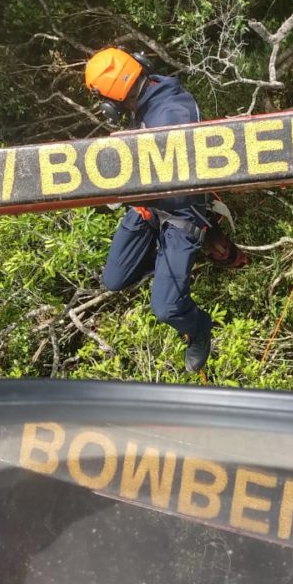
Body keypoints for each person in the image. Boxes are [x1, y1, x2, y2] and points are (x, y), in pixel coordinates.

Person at [84, 47, 214, 373]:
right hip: (149, 208)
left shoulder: (170, 112)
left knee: (167, 308)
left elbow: (175, 164)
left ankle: (199, 328)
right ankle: (162, 268)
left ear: (112, 101)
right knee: (114, 280)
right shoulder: (147, 102)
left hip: (181, 215)